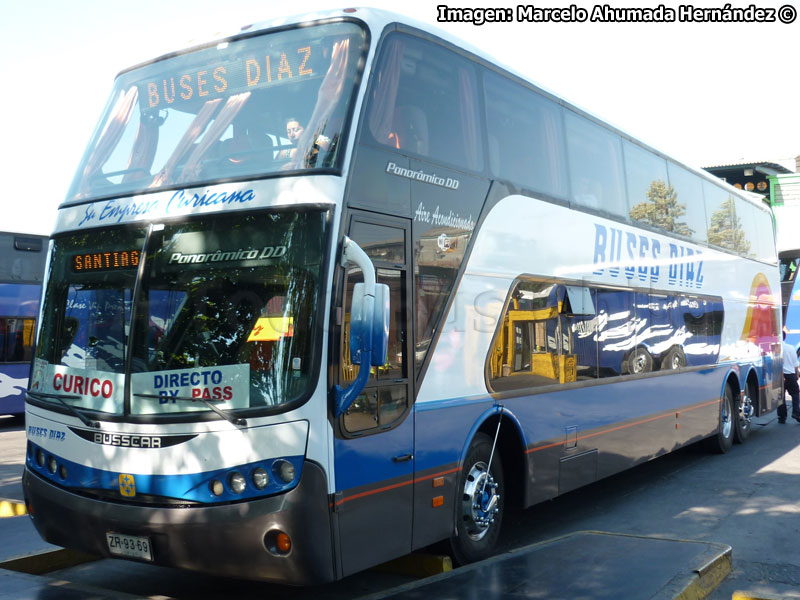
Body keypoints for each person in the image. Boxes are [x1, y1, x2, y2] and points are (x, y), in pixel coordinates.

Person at [779, 329, 800, 424]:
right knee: (795, 394)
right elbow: (795, 364)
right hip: (790, 374)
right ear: (785, 337)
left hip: (779, 376)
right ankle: (796, 412)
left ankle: (782, 417)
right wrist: (797, 374)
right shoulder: (791, 348)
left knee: (781, 396)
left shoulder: (774, 348)